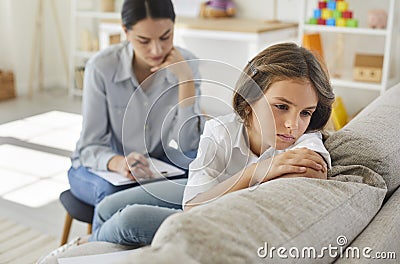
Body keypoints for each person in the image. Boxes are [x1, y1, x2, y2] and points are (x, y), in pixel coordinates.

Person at [68, 0, 204, 207]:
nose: (156, 49)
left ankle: (169, 239)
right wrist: (120, 164)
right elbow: (90, 146)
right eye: (144, 40)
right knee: (114, 198)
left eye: (165, 37)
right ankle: (97, 240)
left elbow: (189, 146)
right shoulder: (101, 68)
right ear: (126, 31)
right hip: (100, 167)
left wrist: (186, 81)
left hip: (154, 164)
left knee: (200, 184)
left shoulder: (186, 65)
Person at [183, 42, 335, 210]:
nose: (293, 125)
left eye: (305, 113)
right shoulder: (219, 131)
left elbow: (311, 174)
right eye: (282, 107)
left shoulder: (306, 139)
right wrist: (257, 171)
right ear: (249, 101)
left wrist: (226, 191)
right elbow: (192, 206)